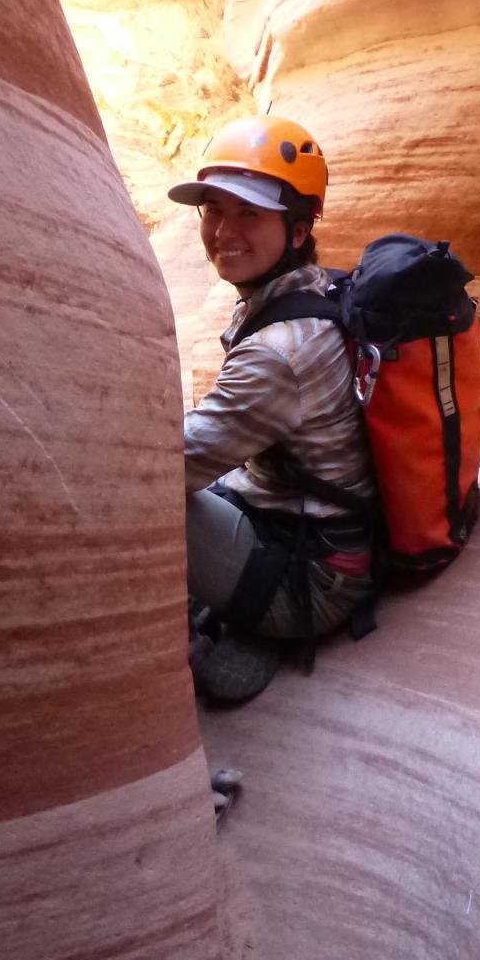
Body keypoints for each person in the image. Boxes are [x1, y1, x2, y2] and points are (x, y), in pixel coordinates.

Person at [171, 115, 375, 700]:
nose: (222, 230)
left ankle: (205, 643)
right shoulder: (317, 293)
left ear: (296, 229)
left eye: (248, 213)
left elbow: (169, 468)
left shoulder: (280, 351)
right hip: (318, 536)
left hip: (311, 579)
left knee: (134, 501)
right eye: (212, 210)